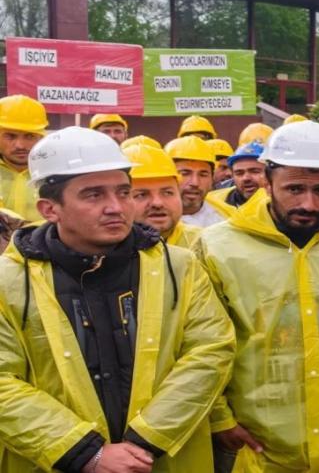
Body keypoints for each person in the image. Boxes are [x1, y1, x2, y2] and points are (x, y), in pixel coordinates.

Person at [0, 126, 236, 472]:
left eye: (124, 192)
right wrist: (84, 453)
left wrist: (143, 443)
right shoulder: (10, 281)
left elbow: (211, 352)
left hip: (161, 458)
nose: (116, 207)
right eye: (93, 195)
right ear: (50, 208)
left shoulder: (179, 266)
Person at [197, 120, 319, 473]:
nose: (309, 203)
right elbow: (203, 342)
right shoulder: (218, 247)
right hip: (254, 442)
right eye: (295, 188)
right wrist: (220, 417)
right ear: (267, 183)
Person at [122, 144, 202, 249]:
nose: (157, 203)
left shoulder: (205, 245)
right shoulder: (101, 254)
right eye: (141, 195)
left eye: (167, 193)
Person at [0, 95, 48, 221]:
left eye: (29, 136)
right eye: (10, 136)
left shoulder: (58, 173)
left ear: (41, 137)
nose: (20, 145)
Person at [165, 135, 224, 228]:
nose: (195, 183)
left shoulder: (224, 219)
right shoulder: (147, 221)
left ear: (212, 179)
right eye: (185, 173)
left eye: (203, 174)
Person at [204, 141, 267, 219]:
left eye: (254, 171)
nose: (246, 178)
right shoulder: (214, 206)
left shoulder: (282, 205)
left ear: (270, 173)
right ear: (232, 176)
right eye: (239, 173)